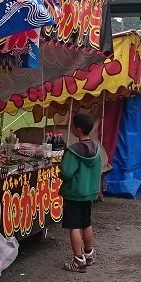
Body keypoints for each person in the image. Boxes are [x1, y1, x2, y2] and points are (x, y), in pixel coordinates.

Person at [59, 113, 106, 273]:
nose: (72, 128)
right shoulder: (97, 148)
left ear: (78, 129)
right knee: (86, 223)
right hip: (89, 193)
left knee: (74, 226)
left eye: (73, 126)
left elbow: (66, 172)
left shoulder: (73, 151)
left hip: (74, 193)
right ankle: (89, 253)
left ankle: (78, 259)